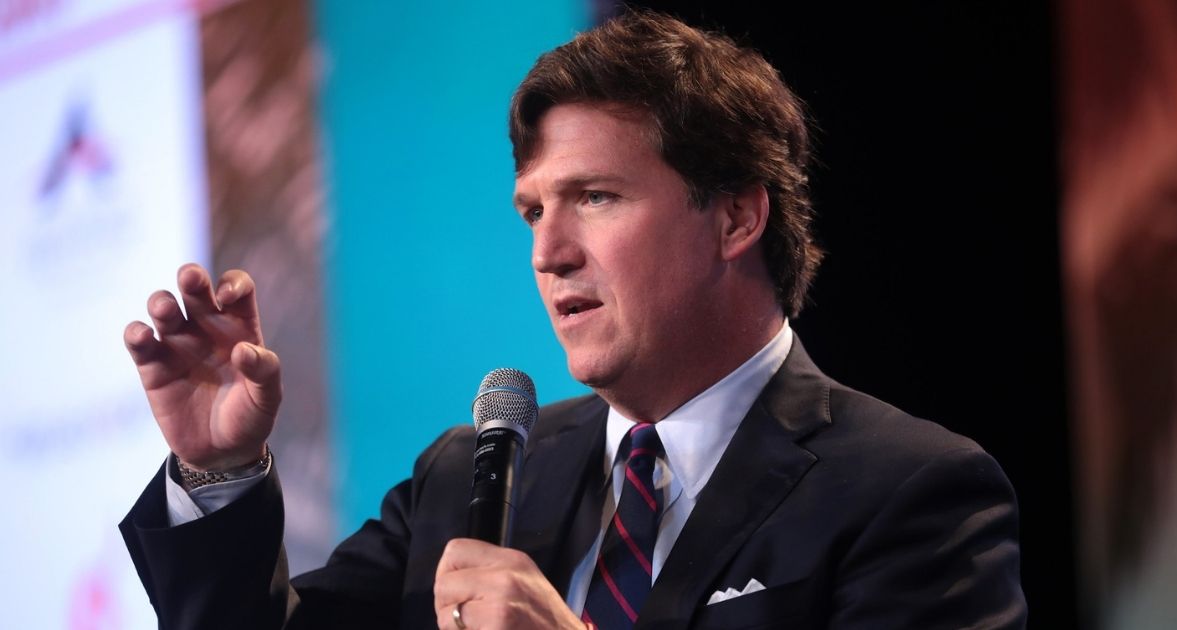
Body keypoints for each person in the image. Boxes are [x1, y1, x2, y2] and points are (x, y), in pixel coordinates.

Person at [120, 11, 1026, 630]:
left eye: (595, 198)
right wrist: (219, 471)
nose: (548, 253)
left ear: (736, 218)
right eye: (532, 211)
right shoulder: (463, 480)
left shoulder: (910, 491)